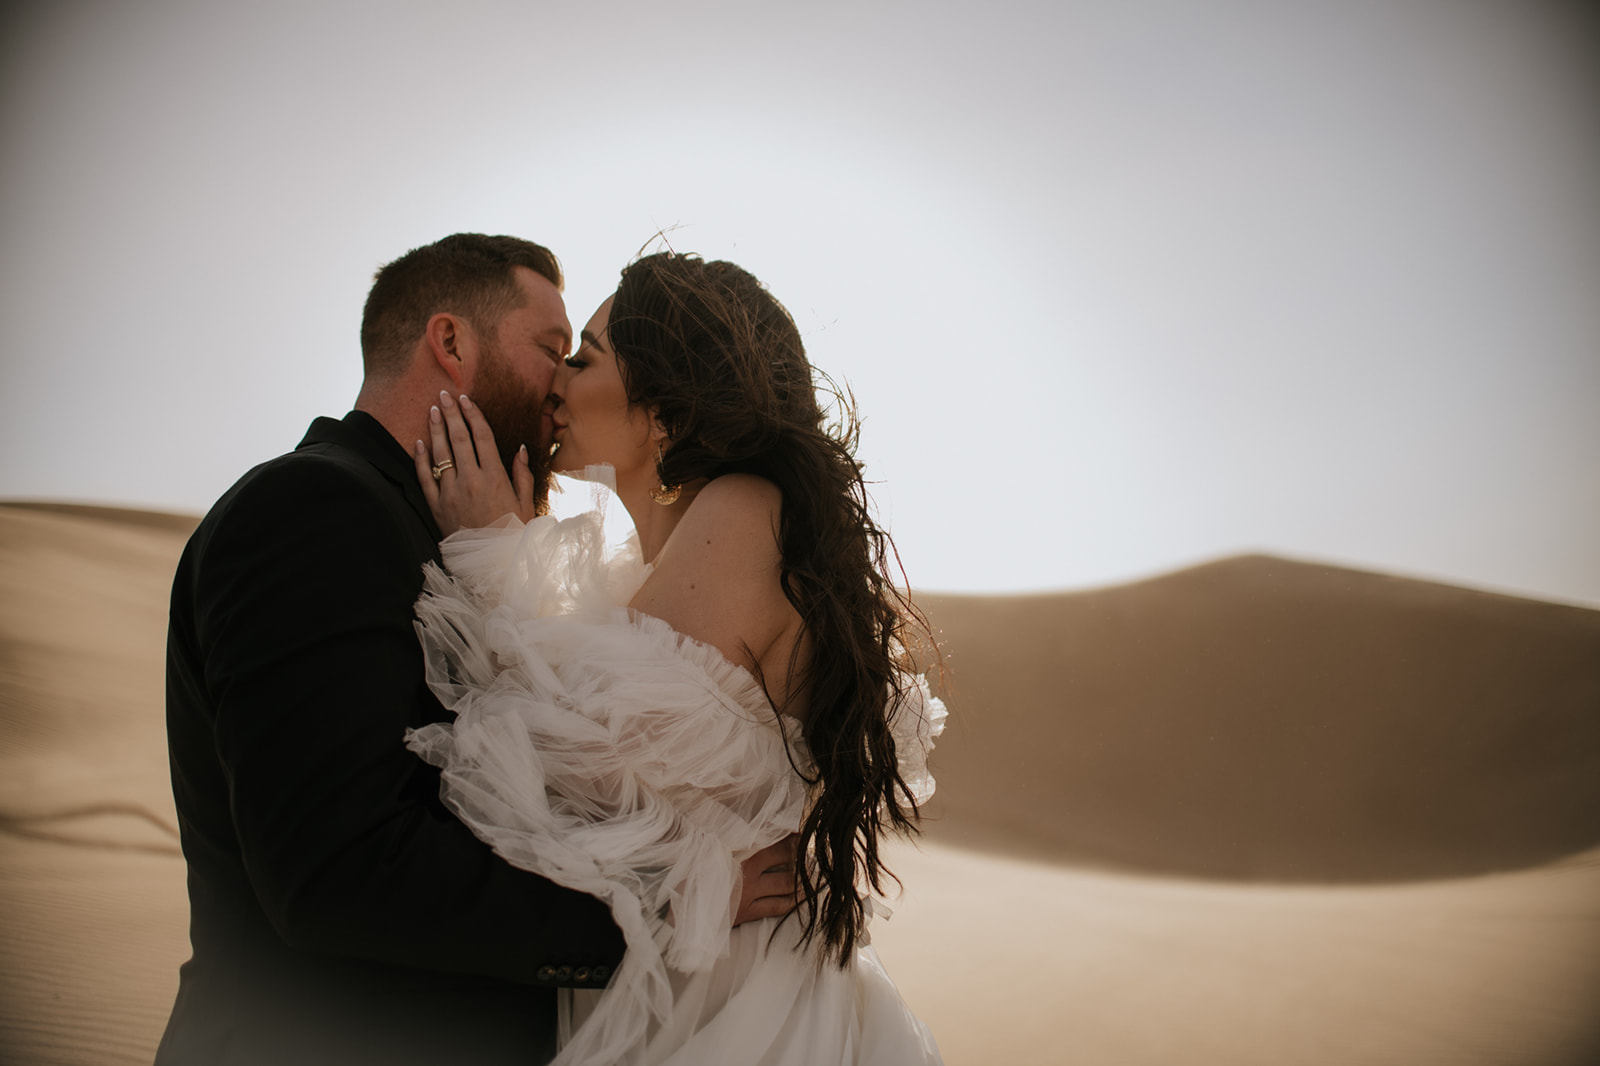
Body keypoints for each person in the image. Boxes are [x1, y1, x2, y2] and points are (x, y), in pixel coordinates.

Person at [157, 234, 794, 1066]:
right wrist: (671, 902)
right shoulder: (314, 508)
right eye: (549, 351)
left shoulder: (479, 535)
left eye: (578, 359)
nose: (560, 384)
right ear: (451, 343)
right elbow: (338, 871)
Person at [408, 251, 946, 1064]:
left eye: (583, 356)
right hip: (683, 984)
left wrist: (487, 552)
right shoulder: (641, 575)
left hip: (736, 1012)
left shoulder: (745, 510)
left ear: (661, 411)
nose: (557, 380)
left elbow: (574, 765)